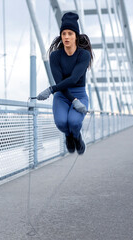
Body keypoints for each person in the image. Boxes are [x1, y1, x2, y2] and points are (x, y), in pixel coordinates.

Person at [36, 12, 94, 155]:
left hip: (79, 94)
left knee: (74, 122)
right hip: (62, 95)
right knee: (62, 122)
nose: (66, 37)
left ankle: (76, 136)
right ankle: (68, 136)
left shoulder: (83, 55)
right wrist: (70, 99)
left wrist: (50, 90)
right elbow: (61, 83)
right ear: (61, 36)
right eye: (64, 34)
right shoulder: (55, 56)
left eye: (70, 33)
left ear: (76, 36)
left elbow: (74, 79)